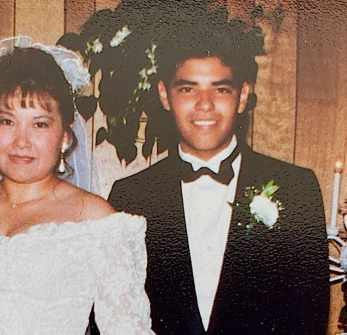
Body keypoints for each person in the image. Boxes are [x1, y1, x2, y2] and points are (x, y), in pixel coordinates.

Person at [107, 17, 328, 335]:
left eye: (220, 89)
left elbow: (309, 319)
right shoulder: (129, 196)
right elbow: (116, 319)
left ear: (242, 96)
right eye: (188, 88)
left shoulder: (296, 189)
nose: (204, 105)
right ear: (165, 96)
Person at [0, 36, 153, 335]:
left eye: (39, 124)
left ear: (65, 135)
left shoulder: (95, 220)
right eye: (7, 121)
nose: (21, 141)